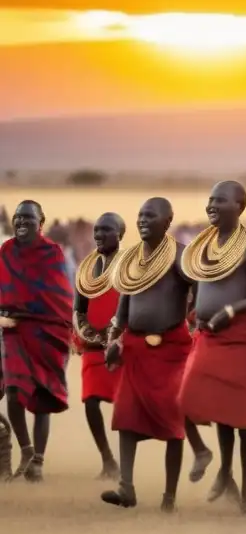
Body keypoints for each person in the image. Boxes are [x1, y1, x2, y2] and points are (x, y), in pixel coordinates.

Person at [101, 198, 212, 511]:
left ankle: (169, 498)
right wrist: (116, 338)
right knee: (126, 415)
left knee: (172, 421)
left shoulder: (180, 255)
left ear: (168, 221)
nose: (143, 220)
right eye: (140, 215)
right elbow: (124, 303)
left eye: (151, 215)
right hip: (135, 348)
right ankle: (126, 488)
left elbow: (199, 285)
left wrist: (193, 315)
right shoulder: (132, 259)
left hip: (171, 348)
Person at [179, 181, 246, 515]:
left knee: (243, 421)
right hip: (209, 336)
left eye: (219, 200)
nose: (211, 205)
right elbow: (194, 287)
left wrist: (232, 310)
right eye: (209, 199)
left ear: (240, 206)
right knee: (187, 400)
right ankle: (215, 464)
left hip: (245, 340)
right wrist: (194, 316)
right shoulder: (201, 245)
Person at [0, 200, 74, 482]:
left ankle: (38, 462)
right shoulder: (5, 251)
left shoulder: (52, 253)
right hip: (13, 331)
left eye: (28, 219)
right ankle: (26, 450)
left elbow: (57, 296)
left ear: (41, 223)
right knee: (14, 393)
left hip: (46, 331)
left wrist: (27, 313)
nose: (21, 223)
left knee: (43, 396)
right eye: (18, 218)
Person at [72, 211, 126, 481]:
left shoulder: (131, 267)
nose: (99, 235)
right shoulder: (87, 269)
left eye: (106, 230)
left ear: (120, 235)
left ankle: (127, 462)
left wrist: (117, 336)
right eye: (96, 230)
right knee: (90, 402)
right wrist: (87, 333)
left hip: (122, 348)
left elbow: (134, 305)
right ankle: (107, 459)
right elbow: (79, 309)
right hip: (93, 346)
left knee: (126, 406)